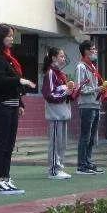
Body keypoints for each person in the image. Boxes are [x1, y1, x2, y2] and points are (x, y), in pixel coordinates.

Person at [0, 23, 34, 195]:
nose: (12, 39)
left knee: (9, 145)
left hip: (12, 107)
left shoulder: (9, 58)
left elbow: (13, 84)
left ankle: (6, 177)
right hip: (1, 107)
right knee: (1, 145)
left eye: (13, 36)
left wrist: (20, 103)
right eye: (9, 36)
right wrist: (20, 81)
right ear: (0, 37)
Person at [73, 38, 106, 176]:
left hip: (95, 104)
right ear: (86, 51)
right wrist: (98, 89)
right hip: (86, 105)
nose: (95, 51)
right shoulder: (81, 67)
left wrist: (100, 89)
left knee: (91, 137)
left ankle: (87, 161)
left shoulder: (91, 66)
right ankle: (81, 165)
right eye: (93, 49)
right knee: (85, 136)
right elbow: (79, 88)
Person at [41, 46, 72, 179]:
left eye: (64, 56)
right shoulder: (50, 73)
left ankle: (59, 168)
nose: (63, 59)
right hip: (55, 115)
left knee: (62, 144)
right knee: (55, 143)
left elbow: (64, 93)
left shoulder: (62, 74)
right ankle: (53, 170)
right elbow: (48, 95)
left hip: (63, 113)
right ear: (54, 58)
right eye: (61, 56)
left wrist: (71, 92)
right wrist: (66, 93)